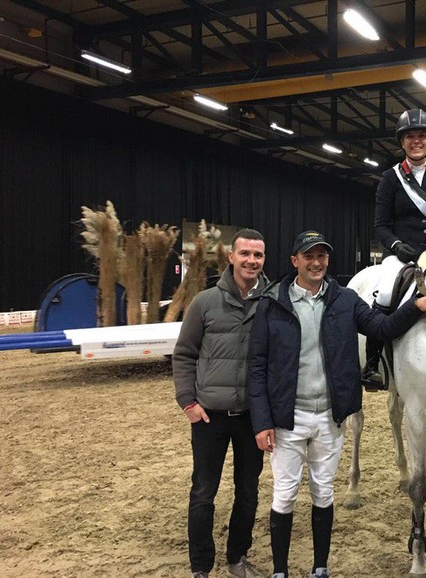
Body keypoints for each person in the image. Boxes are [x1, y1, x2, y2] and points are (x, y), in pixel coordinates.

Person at [247, 230, 426, 578]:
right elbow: (257, 366)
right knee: (284, 496)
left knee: (324, 494)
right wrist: (262, 420)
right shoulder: (271, 303)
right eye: (309, 256)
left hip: (328, 416)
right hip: (286, 419)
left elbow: (381, 327)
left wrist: (414, 308)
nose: (316, 262)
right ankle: (280, 570)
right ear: (295, 261)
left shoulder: (345, 299)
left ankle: (320, 567)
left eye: (322, 256)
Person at [173, 228, 269, 578]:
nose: (251, 261)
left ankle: (237, 558)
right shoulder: (204, 302)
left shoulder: (271, 302)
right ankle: (201, 566)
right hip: (209, 417)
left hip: (251, 418)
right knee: (203, 493)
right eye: (245, 254)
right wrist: (188, 402)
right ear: (231, 257)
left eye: (257, 255)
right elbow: (184, 355)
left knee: (248, 492)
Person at [362, 108, 426, 388]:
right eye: (410, 136)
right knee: (383, 295)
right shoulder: (390, 178)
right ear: (402, 142)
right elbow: (380, 225)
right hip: (400, 254)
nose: (416, 141)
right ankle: (372, 364)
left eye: (421, 136)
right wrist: (395, 245)